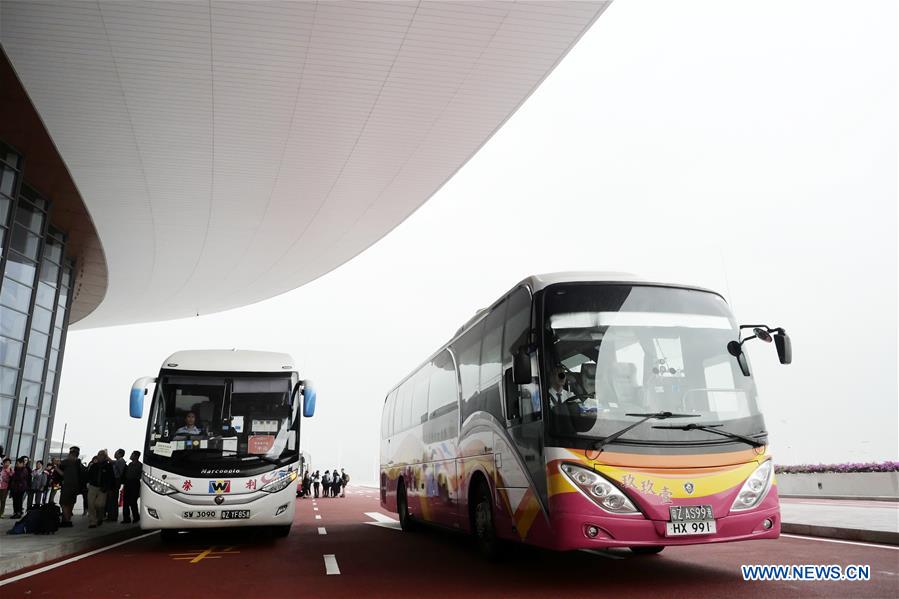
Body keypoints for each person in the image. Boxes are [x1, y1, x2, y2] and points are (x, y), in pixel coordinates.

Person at [85, 450, 114, 528]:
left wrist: (108, 488)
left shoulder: (108, 466)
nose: (99, 456)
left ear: (105, 457)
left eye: (101, 455)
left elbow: (111, 478)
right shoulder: (94, 466)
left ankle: (100, 517)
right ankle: (93, 522)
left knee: (100, 505)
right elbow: (88, 475)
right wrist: (88, 482)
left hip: (102, 488)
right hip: (93, 487)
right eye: (99, 455)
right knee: (91, 504)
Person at [58, 446, 83, 527]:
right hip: (75, 486)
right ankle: (67, 518)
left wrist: (55, 467)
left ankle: (67, 521)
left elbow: (63, 474)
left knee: (63, 503)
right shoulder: (78, 463)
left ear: (72, 454)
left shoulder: (68, 462)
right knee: (71, 503)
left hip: (67, 486)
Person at [121, 451, 142, 524]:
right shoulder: (129, 464)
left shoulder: (140, 465)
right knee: (126, 501)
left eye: (132, 454)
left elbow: (139, 475)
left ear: (136, 456)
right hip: (127, 483)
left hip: (134, 483)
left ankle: (136, 517)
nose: (131, 456)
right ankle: (126, 518)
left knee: (133, 501)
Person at [106, 449, 127, 522]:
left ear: (120, 454)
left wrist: (106, 455)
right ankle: (112, 516)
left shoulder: (121, 461)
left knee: (113, 499)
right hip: (115, 482)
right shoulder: (120, 461)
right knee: (112, 499)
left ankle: (113, 516)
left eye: (116, 453)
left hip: (115, 482)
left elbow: (111, 462)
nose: (115, 454)